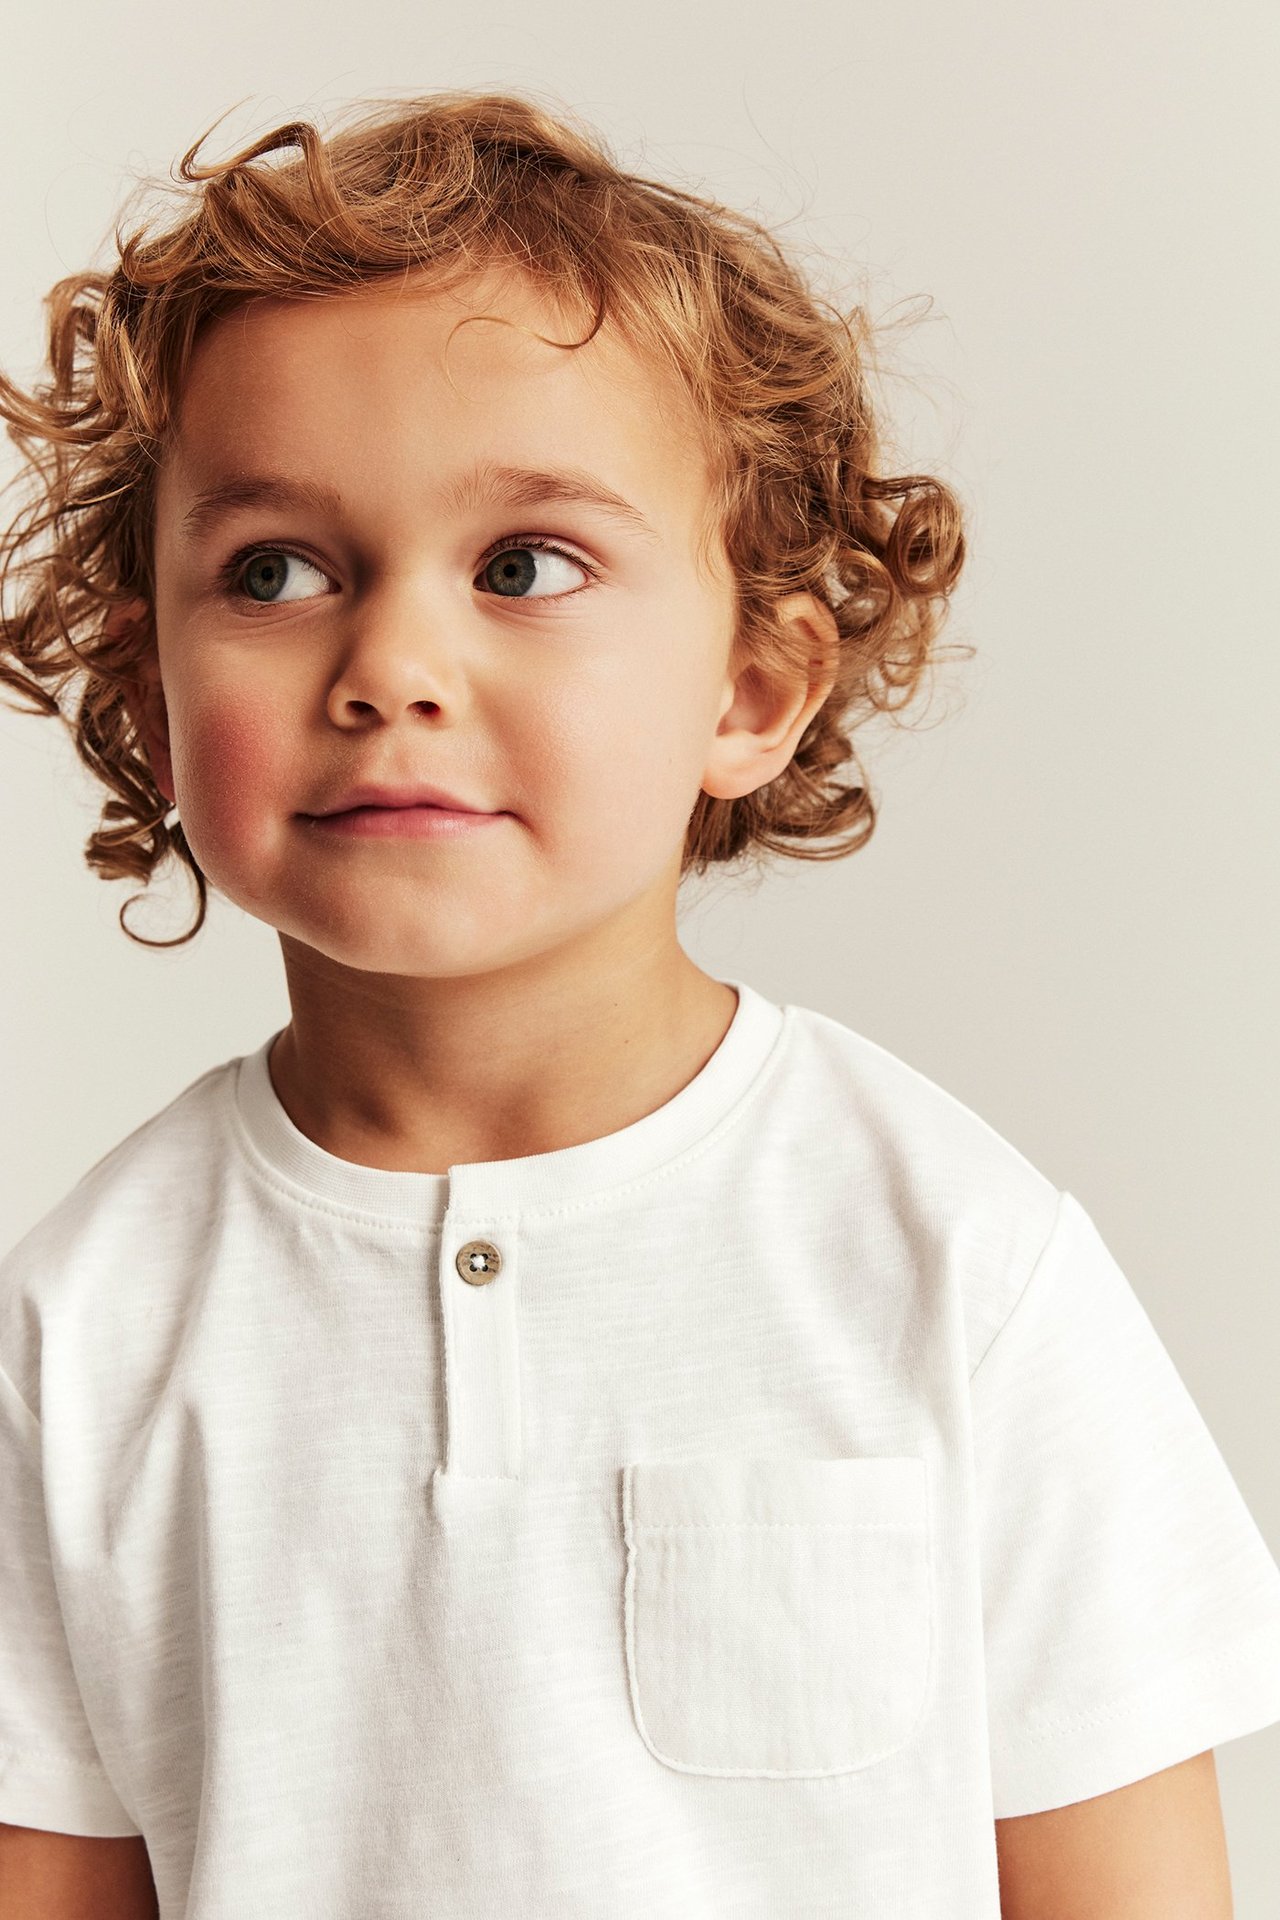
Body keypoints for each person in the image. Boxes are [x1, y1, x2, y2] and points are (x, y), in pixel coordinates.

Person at [0, 89, 1276, 1920]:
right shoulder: (81, 1333)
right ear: (144, 688)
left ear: (753, 687)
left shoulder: (956, 1264)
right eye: (276, 570)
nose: (391, 667)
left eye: (524, 566)